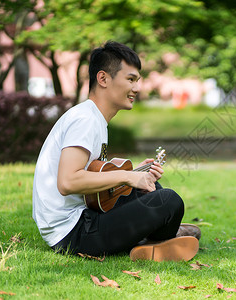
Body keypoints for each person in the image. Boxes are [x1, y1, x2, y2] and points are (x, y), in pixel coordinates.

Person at [32, 41, 200, 261]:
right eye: (130, 79)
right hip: (73, 232)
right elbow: (67, 182)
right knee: (169, 201)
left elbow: (93, 178)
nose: (137, 88)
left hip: (84, 217)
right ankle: (155, 240)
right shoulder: (85, 120)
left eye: (137, 81)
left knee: (150, 187)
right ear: (103, 79)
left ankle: (156, 238)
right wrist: (128, 176)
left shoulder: (94, 118)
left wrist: (136, 174)